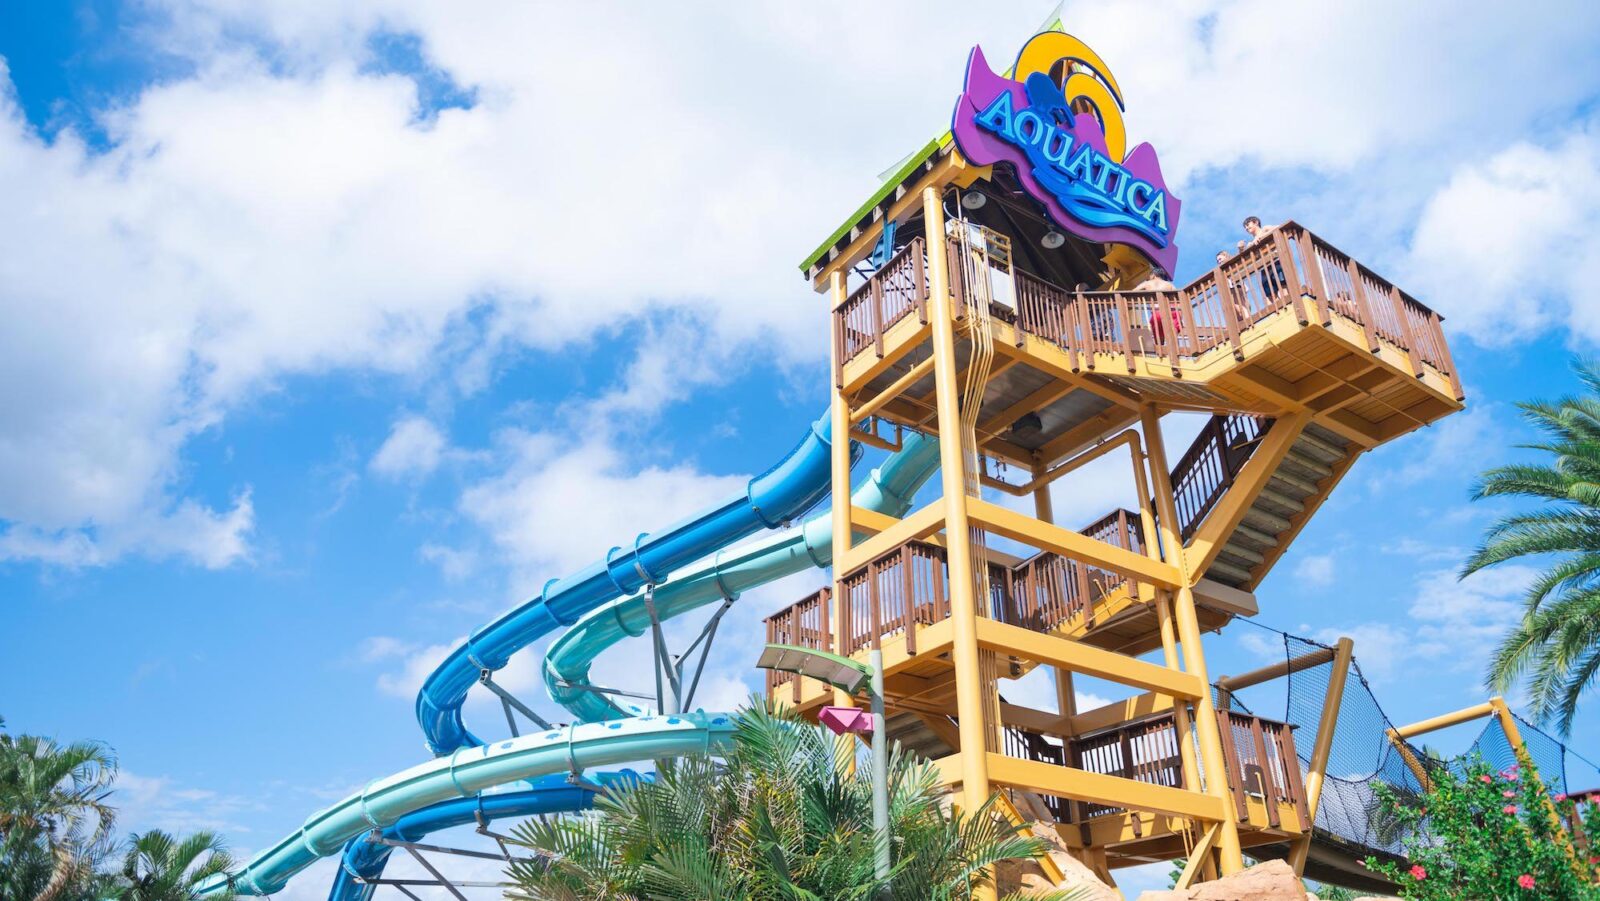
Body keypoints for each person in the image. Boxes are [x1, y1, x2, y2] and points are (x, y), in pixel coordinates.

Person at [1138, 267, 1182, 346]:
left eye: (1150, 276)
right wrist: (1180, 317)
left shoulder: (1147, 284)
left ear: (1154, 275)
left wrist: (1144, 293)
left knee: (1158, 335)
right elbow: (1178, 301)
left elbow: (1133, 292)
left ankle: (1161, 353)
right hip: (1171, 311)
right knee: (1173, 332)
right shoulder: (1169, 285)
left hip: (1157, 312)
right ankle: (1176, 351)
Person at [1216, 249, 1251, 324]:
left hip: (1237, 287)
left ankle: (1249, 322)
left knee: (1242, 306)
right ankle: (1244, 323)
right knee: (1236, 309)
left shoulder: (1231, 264)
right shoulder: (1222, 270)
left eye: (1220, 259)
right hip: (1231, 289)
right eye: (1217, 261)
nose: (1219, 261)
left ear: (1225, 256)